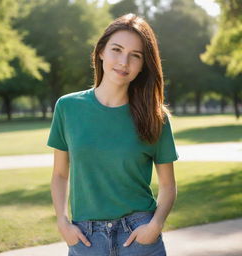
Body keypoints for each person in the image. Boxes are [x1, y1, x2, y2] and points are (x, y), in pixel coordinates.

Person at [47, 13, 179, 256]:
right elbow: (59, 174)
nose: (123, 62)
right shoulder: (67, 107)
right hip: (86, 239)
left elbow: (168, 186)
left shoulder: (155, 116)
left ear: (143, 65)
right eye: (116, 50)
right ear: (100, 51)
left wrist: (155, 225)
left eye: (135, 56)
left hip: (139, 236)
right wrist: (62, 222)